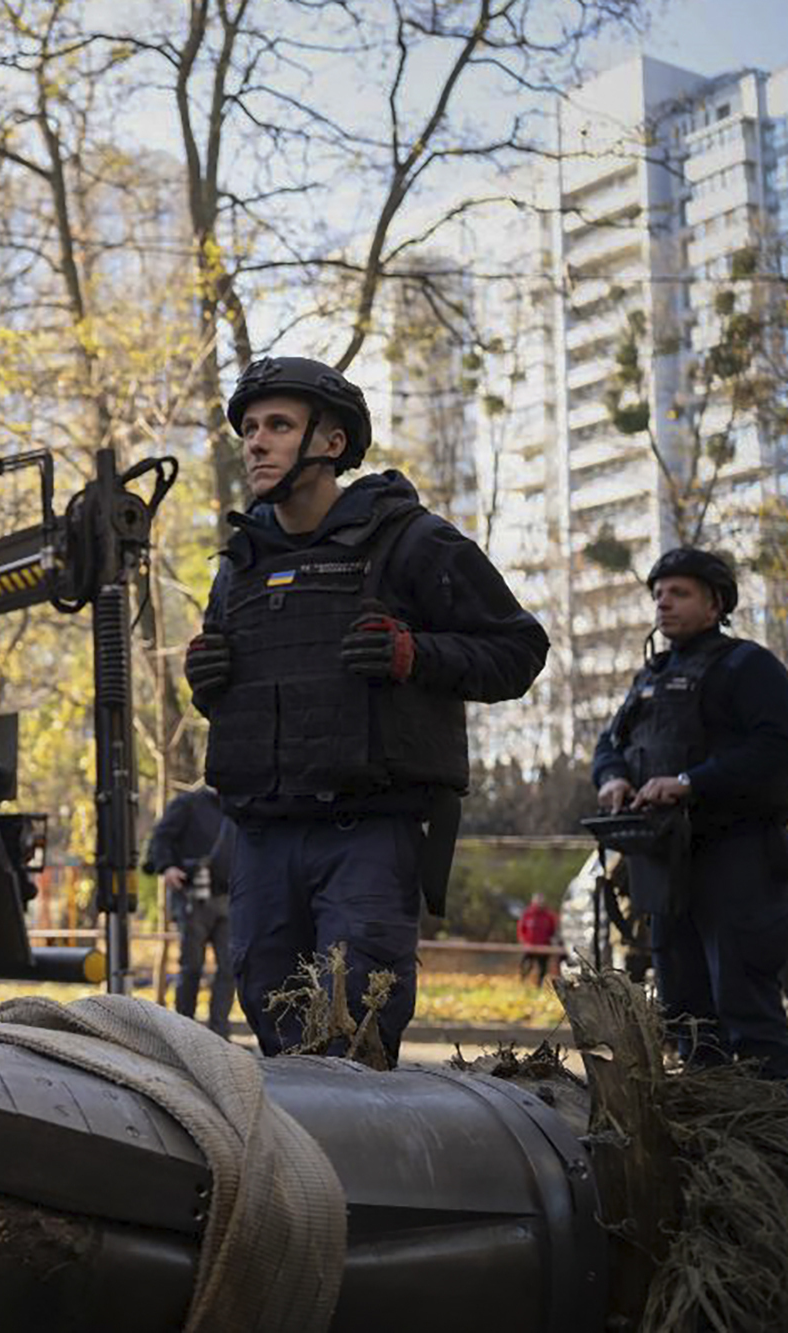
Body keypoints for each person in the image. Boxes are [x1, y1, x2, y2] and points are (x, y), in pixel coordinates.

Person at [184, 356, 549, 1063]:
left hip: (366, 833)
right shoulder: (240, 563)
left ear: (332, 442)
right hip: (262, 835)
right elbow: (255, 696)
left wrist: (417, 655)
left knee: (352, 1025)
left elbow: (519, 649)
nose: (255, 441)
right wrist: (209, 682)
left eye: (278, 425)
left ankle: (359, 1171)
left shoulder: (410, 540)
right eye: (250, 428)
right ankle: (292, 1177)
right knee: (272, 1015)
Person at [591, 548, 788, 1079]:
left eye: (679, 593)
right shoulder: (647, 679)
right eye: (658, 594)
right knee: (682, 1008)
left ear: (715, 603)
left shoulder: (749, 666)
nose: (664, 604)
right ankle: (704, 1131)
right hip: (664, 863)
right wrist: (612, 778)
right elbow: (608, 745)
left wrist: (688, 783)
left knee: (743, 998)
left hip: (739, 854)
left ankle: (766, 1134)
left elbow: (776, 747)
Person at [144, 784, 236, 1037]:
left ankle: (220, 1033)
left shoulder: (236, 807)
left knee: (230, 967)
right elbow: (160, 838)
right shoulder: (188, 804)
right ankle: (184, 1031)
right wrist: (167, 867)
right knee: (191, 966)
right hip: (192, 897)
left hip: (229, 897)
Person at [516, 893, 559, 987]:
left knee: (542, 967)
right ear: (533, 901)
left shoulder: (549, 915)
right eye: (537, 900)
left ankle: (538, 985)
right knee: (525, 965)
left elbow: (553, 929)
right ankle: (522, 982)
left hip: (543, 946)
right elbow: (521, 928)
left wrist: (551, 940)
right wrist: (522, 940)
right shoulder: (527, 913)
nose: (540, 903)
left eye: (541, 900)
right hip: (529, 946)